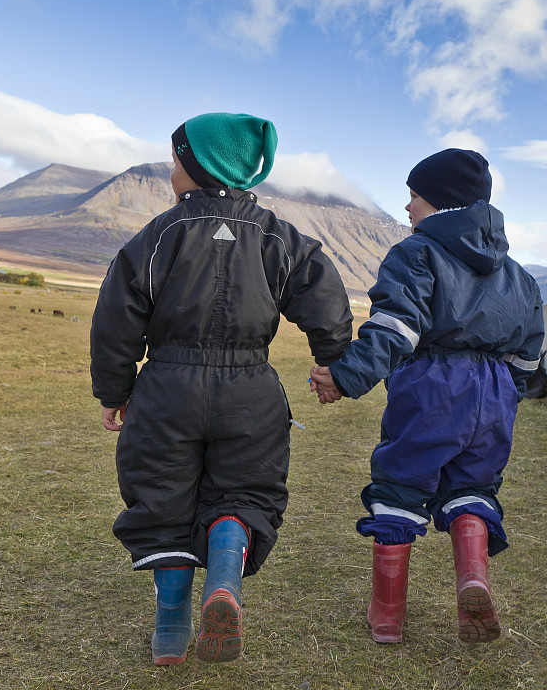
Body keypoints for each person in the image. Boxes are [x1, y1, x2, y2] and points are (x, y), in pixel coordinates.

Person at [90, 112, 352, 665]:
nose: (170, 168)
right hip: (252, 393)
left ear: (197, 164)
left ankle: (169, 633)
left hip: (165, 390)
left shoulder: (159, 235)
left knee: (162, 500)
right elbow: (325, 299)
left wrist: (115, 389)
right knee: (244, 494)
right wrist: (331, 363)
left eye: (176, 157)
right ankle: (224, 585)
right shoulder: (280, 238)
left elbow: (116, 317)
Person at [310, 148, 544, 644]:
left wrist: (344, 376)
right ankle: (473, 579)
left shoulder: (416, 253)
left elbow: (396, 329)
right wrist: (509, 395)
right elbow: (530, 352)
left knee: (401, 486)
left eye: (414, 196)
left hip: (433, 386)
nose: (408, 208)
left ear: (438, 201)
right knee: (473, 487)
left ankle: (387, 616)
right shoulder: (519, 274)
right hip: (496, 393)